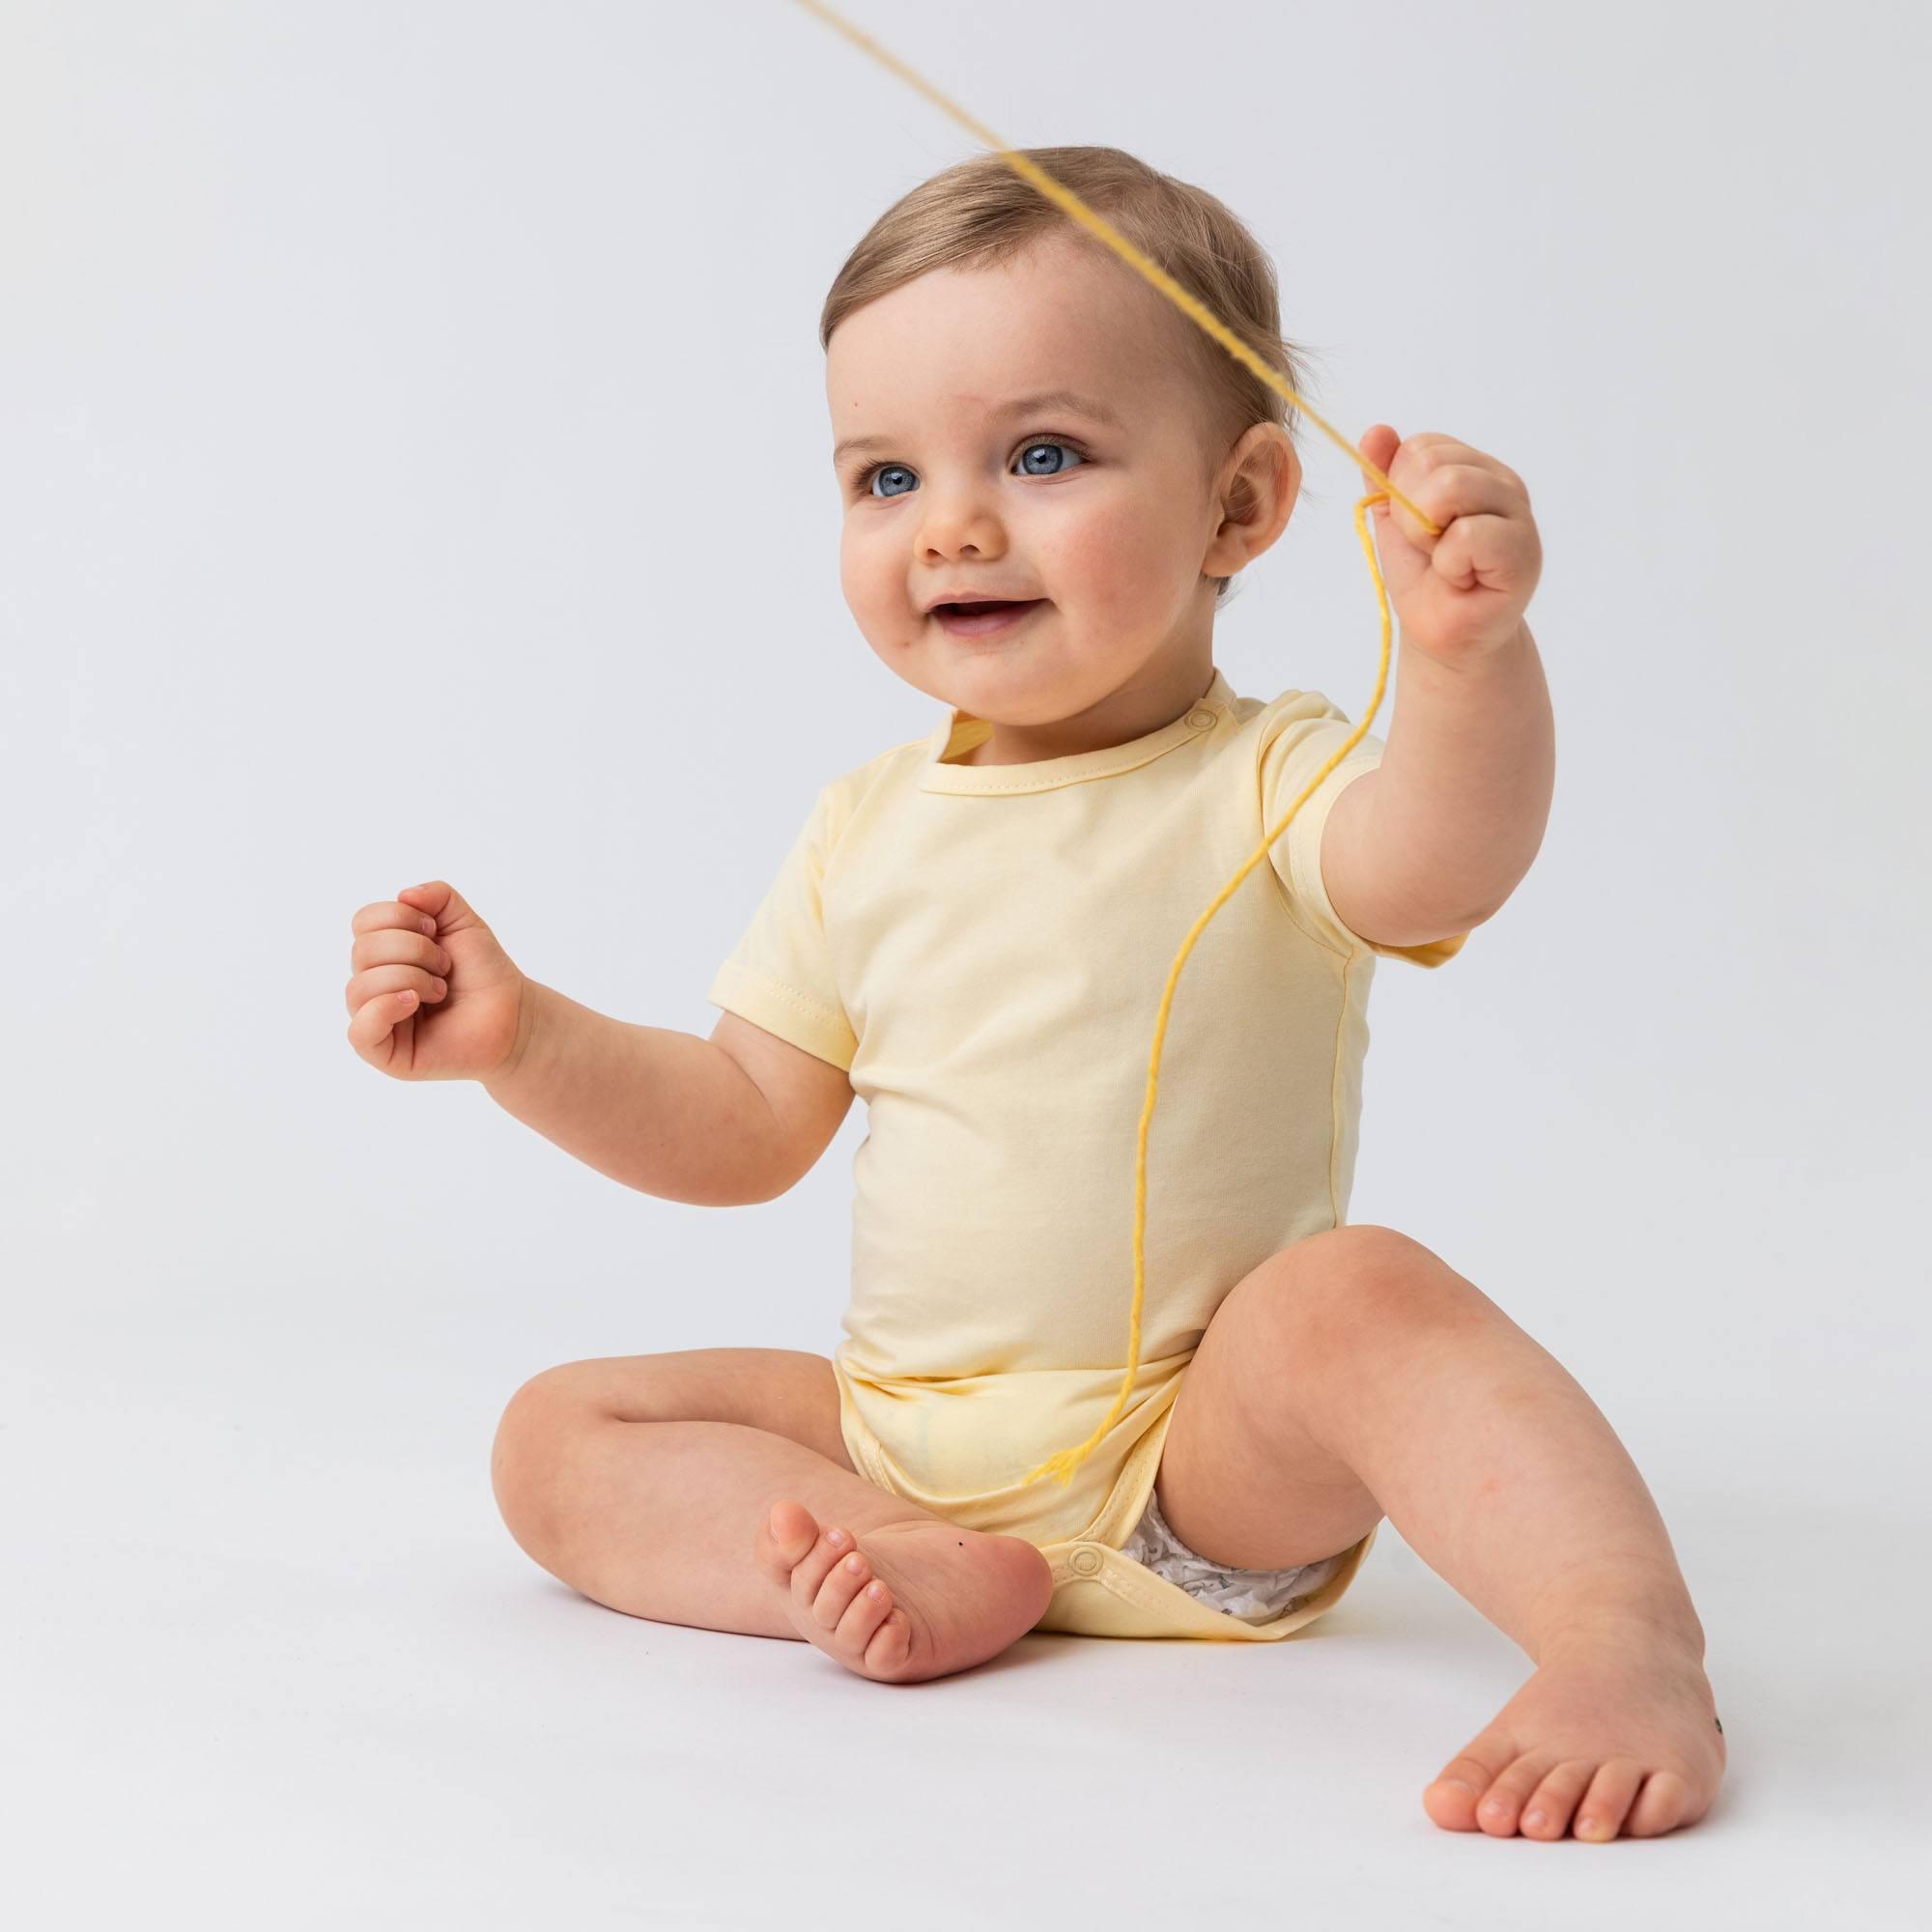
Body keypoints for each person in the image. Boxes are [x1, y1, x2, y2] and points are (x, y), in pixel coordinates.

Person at [343, 147, 1724, 1843]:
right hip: (894, 1446)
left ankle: (1622, 1643)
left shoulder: (1271, 779)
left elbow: (1442, 866)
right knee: (557, 1433)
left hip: (1196, 1465)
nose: (954, 525)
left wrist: (1462, 668)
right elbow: (744, 1128)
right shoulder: (865, 828)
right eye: (883, 476)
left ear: (1240, 509)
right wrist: (525, 1039)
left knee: (1353, 1298)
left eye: (1044, 454)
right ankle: (871, 1570)